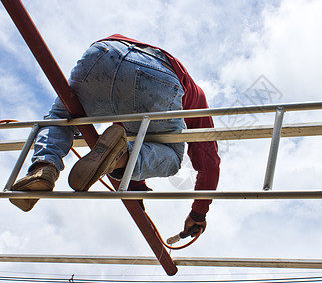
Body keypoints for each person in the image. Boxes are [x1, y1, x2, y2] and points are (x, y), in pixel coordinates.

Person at [10, 34, 221, 235]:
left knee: (61, 117)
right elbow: (208, 161)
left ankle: (44, 167)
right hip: (159, 76)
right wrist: (198, 212)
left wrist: (136, 186)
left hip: (103, 53)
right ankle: (121, 159)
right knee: (173, 158)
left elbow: (119, 127)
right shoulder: (196, 97)